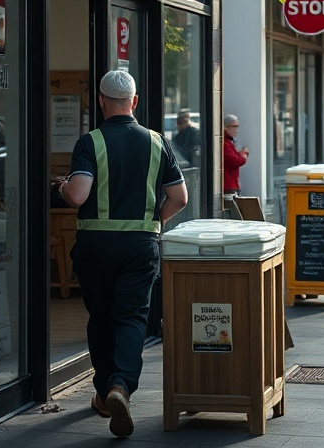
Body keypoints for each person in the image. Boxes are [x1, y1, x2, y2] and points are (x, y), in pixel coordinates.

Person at [58, 70, 188, 437]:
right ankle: (120, 386)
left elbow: (79, 195)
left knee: (101, 317)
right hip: (139, 246)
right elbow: (179, 198)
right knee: (132, 317)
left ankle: (103, 393)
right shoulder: (156, 141)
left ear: (100, 101)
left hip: (96, 246)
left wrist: (65, 188)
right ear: (134, 101)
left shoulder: (89, 141)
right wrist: (151, 220)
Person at [223, 114, 250, 196]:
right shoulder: (224, 144)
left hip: (232, 185)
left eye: (237, 126)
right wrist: (244, 153)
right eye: (234, 126)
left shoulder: (227, 143)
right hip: (229, 186)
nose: (236, 130)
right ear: (226, 127)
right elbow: (236, 161)